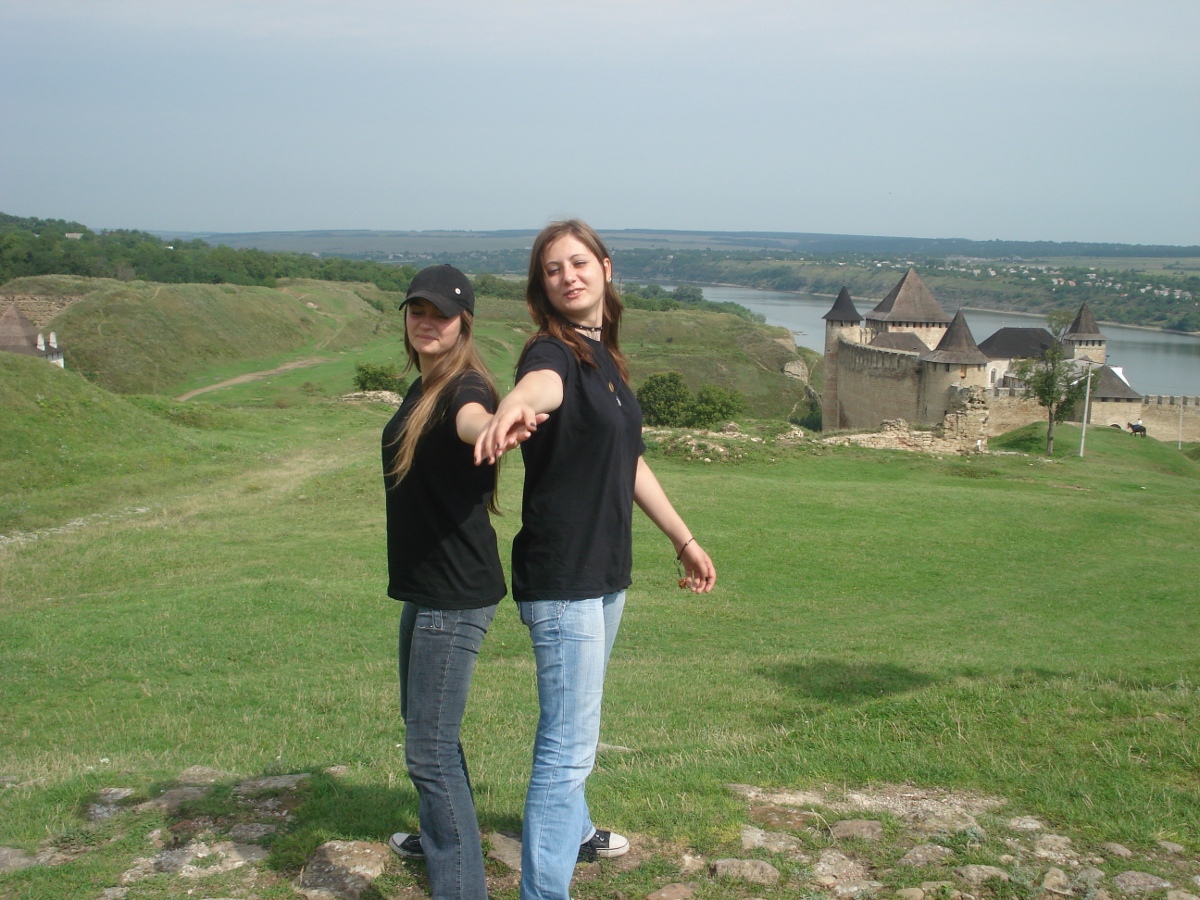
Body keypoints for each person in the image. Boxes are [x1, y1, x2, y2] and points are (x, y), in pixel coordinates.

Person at [475, 220, 717, 900]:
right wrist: (513, 406)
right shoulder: (550, 352)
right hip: (564, 580)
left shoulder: (602, 357)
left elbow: (628, 462)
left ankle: (575, 831)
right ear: (542, 287)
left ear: (606, 269)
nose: (568, 276)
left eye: (578, 263)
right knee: (567, 744)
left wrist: (683, 538)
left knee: (577, 724)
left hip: (604, 573)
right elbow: (538, 388)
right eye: (553, 269)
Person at [383, 264, 541, 900]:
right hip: (428, 590)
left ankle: (460, 886)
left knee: (428, 749)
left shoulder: (463, 389)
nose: (427, 322)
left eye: (441, 314)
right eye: (417, 310)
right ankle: (446, 843)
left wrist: (496, 428)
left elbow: (474, 420)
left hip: (453, 595)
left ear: (464, 324)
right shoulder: (424, 386)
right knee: (430, 735)